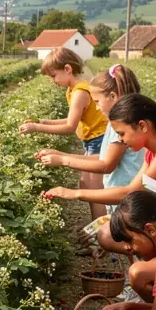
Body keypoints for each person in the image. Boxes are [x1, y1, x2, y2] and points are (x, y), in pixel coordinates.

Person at [43, 94, 156, 247]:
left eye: (122, 133)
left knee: (115, 232)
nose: (120, 139)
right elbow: (135, 192)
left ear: (142, 126)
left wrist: (74, 193)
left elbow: (129, 192)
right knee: (116, 228)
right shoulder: (154, 151)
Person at [34, 64, 145, 255]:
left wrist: (63, 161)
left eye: (97, 101)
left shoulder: (123, 123)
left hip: (128, 194)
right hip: (121, 193)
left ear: (113, 97)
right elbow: (103, 157)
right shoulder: (116, 120)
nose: (97, 106)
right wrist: (62, 154)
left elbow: (106, 165)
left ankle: (132, 282)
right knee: (127, 243)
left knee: (133, 245)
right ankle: (129, 280)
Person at [20, 47, 109, 220]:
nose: (53, 81)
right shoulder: (74, 90)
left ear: (67, 69)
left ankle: (101, 236)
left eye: (54, 76)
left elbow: (69, 127)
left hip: (99, 140)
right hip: (93, 140)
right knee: (85, 184)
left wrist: (37, 128)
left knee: (95, 191)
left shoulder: (79, 92)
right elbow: (72, 120)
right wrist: (43, 122)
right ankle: (95, 231)